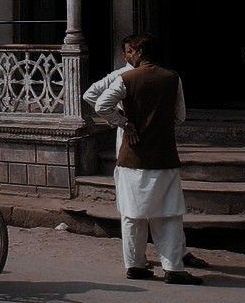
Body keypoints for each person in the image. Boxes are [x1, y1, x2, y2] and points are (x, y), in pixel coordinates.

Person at [84, 35, 207, 272]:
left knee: (132, 215)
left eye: (131, 51)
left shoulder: (125, 78)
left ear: (139, 53)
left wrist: (124, 123)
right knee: (168, 214)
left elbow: (100, 105)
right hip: (164, 155)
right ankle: (173, 267)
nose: (127, 55)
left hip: (132, 155)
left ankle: (135, 265)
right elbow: (180, 117)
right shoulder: (172, 78)